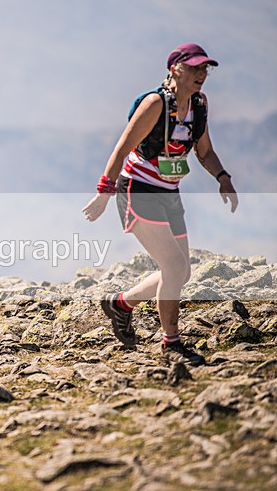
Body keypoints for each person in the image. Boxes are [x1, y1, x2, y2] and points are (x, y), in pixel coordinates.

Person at [82, 44, 238, 366]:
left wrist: (223, 177)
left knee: (182, 272)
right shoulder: (155, 104)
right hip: (137, 189)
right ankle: (171, 342)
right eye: (195, 68)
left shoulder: (199, 105)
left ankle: (121, 304)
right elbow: (123, 146)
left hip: (169, 192)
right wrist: (104, 192)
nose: (202, 74)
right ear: (175, 69)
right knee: (173, 265)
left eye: (205, 69)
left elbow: (204, 151)